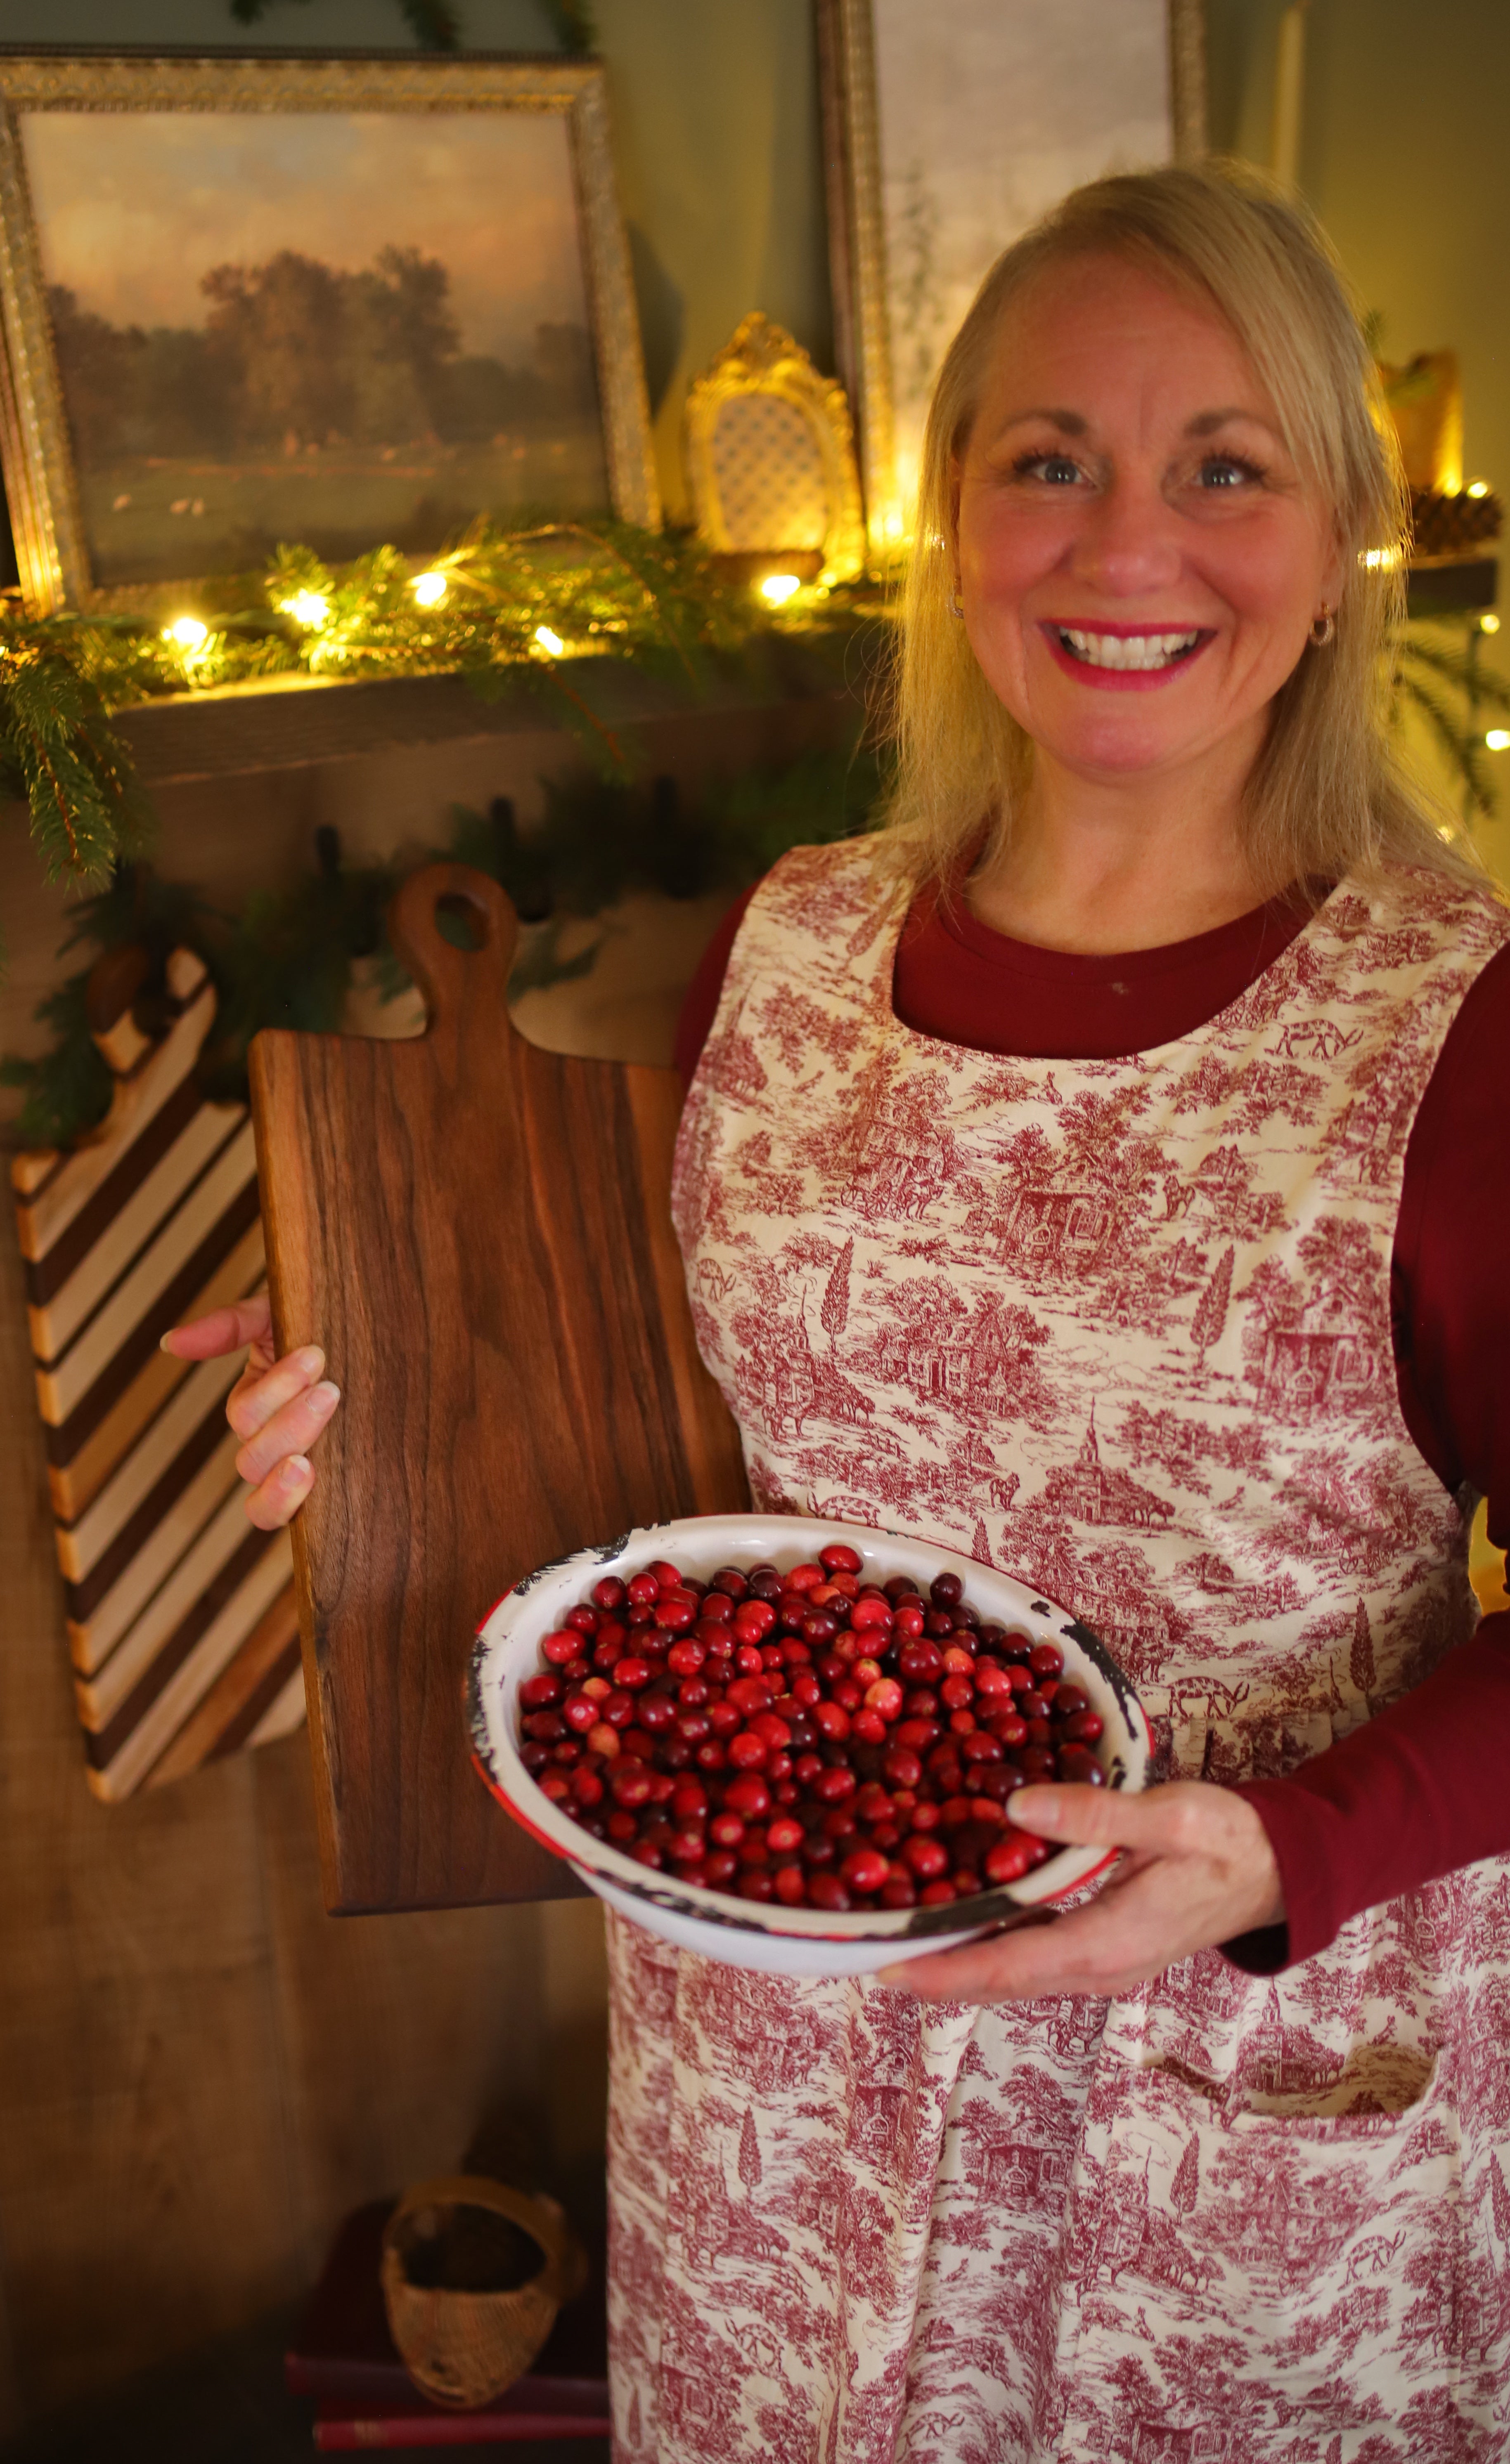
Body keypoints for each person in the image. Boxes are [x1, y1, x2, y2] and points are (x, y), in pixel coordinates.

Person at [168, 165, 1510, 2457]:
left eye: (1225, 465)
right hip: (781, 2114)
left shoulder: (1460, 1026)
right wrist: (366, 1408)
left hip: (1245, 2134)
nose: (1124, 546)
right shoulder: (786, 947)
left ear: (1342, 532)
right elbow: (734, 1501)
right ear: (949, 512)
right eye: (1048, 460)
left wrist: (1290, 1844)